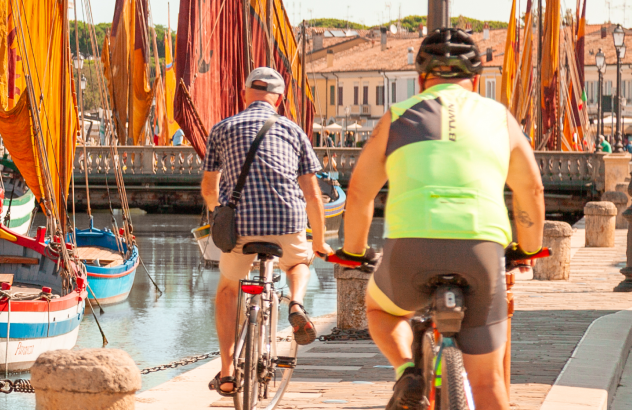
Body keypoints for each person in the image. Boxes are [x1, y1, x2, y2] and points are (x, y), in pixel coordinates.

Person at [338, 28, 545, 410]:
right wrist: (527, 248)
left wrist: (353, 251)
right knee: (487, 382)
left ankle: (407, 373)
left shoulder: (397, 117)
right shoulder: (500, 118)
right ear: (478, 80)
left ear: (420, 79)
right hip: (481, 249)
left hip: (410, 250)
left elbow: (359, 193)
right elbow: (530, 191)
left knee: (380, 309)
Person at [203, 67, 329, 397]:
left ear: (245, 94)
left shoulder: (222, 129)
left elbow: (208, 188)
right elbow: (313, 194)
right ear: (280, 99)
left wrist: (218, 212)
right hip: (288, 223)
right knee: (300, 263)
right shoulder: (293, 131)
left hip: (240, 227)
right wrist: (321, 240)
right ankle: (296, 304)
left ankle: (228, 373)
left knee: (228, 290)